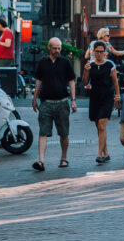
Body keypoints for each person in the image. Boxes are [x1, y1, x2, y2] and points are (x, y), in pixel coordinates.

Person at [32, 38, 76, 171]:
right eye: (55, 48)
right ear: (49, 48)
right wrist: (34, 98)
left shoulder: (65, 62)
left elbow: (71, 81)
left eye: (59, 48)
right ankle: (41, 161)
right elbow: (38, 81)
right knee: (43, 132)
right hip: (45, 102)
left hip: (62, 102)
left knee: (63, 133)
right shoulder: (42, 62)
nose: (57, 50)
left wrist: (73, 100)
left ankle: (64, 158)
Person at [83, 41, 120, 164]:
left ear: (105, 52)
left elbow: (115, 82)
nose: (99, 54)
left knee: (102, 125)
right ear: (93, 52)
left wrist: (117, 96)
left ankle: (99, 154)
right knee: (98, 127)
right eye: (97, 51)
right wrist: (86, 70)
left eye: (101, 51)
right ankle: (106, 153)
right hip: (94, 97)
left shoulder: (110, 64)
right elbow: (84, 82)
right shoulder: (90, 64)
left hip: (107, 97)